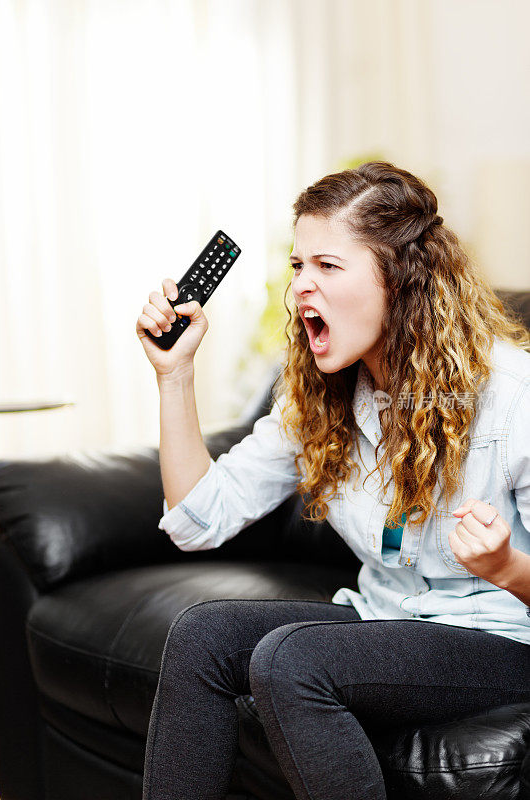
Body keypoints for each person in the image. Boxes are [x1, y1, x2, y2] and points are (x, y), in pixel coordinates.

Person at [136, 161, 530, 800]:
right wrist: (173, 375)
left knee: (292, 660)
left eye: (327, 266)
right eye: (297, 268)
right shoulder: (324, 398)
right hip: (386, 621)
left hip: (501, 638)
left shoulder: (512, 396)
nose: (300, 291)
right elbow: (197, 520)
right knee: (203, 635)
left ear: (400, 279)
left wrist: (507, 563)